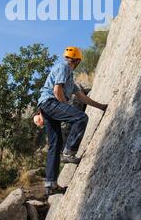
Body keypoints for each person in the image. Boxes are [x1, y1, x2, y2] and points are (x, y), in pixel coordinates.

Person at [37, 46, 107, 196]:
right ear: (77, 60)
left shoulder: (69, 78)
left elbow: (82, 97)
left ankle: (51, 184)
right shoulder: (64, 68)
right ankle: (69, 152)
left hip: (45, 106)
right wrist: (65, 108)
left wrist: (101, 106)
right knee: (80, 117)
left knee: (55, 144)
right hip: (50, 103)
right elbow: (56, 91)